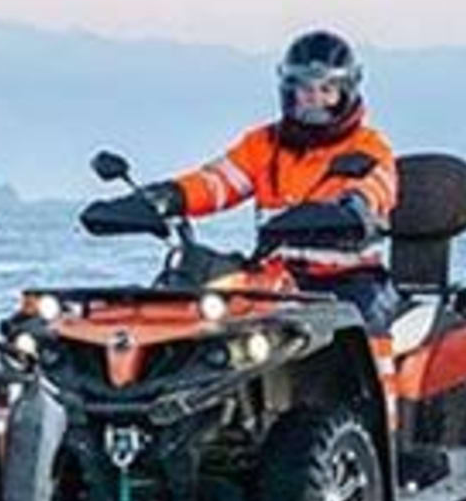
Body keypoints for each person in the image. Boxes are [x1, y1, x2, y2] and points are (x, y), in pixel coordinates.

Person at [91, 29, 403, 325]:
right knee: (205, 308)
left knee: (363, 323)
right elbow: (216, 182)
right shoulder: (264, 144)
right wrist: (164, 198)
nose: (315, 99)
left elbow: (377, 187)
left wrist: (353, 208)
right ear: (289, 91)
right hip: (274, 279)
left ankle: (381, 380)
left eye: (327, 90)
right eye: (306, 90)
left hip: (348, 279)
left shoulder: (368, 147)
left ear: (345, 92)